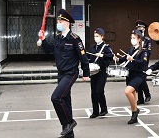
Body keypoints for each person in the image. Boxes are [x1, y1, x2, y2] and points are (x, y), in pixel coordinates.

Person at [41, 9, 89, 138]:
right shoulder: (58, 38)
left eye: (60, 21)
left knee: (56, 97)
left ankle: (69, 122)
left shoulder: (75, 39)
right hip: (61, 74)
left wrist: (86, 72)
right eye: (58, 21)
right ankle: (69, 133)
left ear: (67, 23)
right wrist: (43, 39)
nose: (58, 22)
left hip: (71, 73)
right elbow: (49, 50)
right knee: (65, 101)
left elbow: (83, 56)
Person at [113, 29, 148, 124]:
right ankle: (134, 116)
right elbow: (124, 59)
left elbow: (143, 64)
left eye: (134, 38)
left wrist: (133, 59)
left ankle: (135, 110)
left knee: (127, 91)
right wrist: (117, 58)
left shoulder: (143, 51)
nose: (132, 40)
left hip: (139, 75)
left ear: (139, 39)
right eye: (131, 38)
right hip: (130, 74)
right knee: (132, 94)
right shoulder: (129, 49)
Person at [88, 28, 114, 118]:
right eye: (95, 36)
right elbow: (89, 57)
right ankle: (95, 111)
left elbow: (111, 56)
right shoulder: (92, 47)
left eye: (97, 36)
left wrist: (102, 55)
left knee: (99, 90)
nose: (95, 38)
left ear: (102, 37)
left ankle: (104, 109)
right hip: (93, 71)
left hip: (102, 71)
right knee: (93, 92)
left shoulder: (106, 47)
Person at [135, 20, 152, 105]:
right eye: (138, 27)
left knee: (143, 80)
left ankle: (147, 95)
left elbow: (149, 51)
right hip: (136, 61)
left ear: (144, 29)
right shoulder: (135, 38)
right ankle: (140, 98)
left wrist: (143, 52)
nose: (140, 29)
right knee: (138, 80)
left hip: (144, 61)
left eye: (141, 27)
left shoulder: (147, 39)